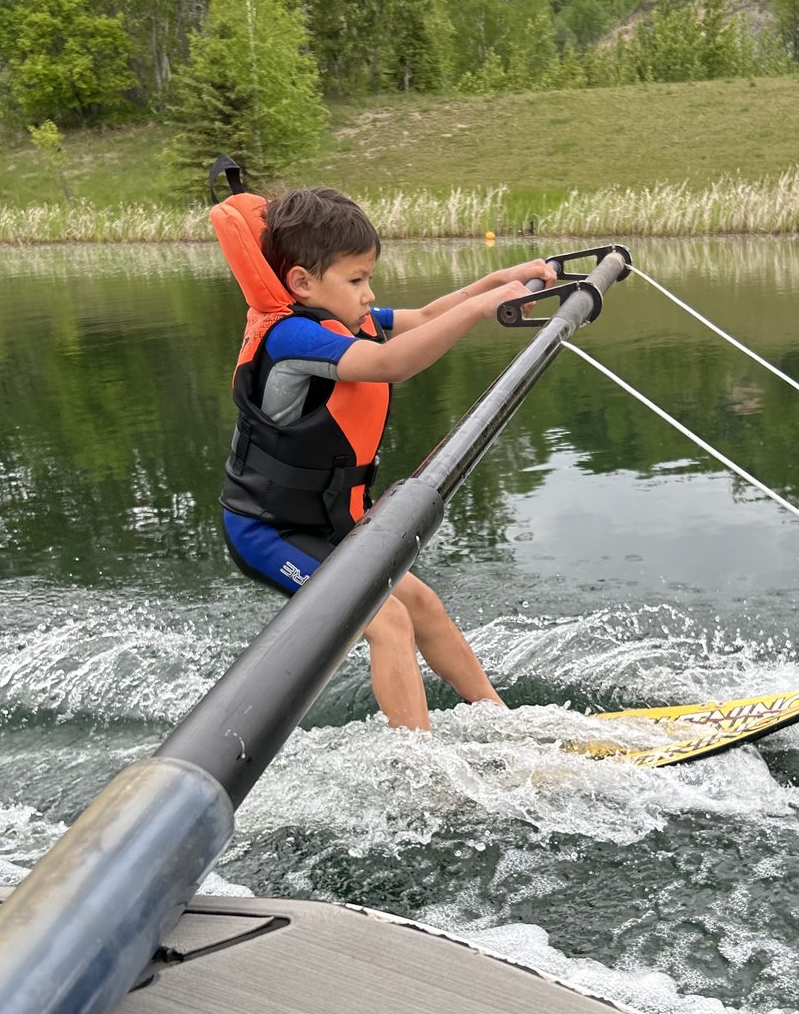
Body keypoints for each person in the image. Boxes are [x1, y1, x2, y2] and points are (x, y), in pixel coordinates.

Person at [219, 182, 556, 732]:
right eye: (357, 280)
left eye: (369, 278)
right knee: (386, 619)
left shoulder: (340, 318)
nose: (369, 294)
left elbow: (423, 316)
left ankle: (500, 721)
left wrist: (494, 285)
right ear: (302, 282)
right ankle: (418, 763)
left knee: (419, 602)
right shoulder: (292, 340)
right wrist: (480, 308)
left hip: (329, 524)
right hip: (267, 532)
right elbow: (390, 363)